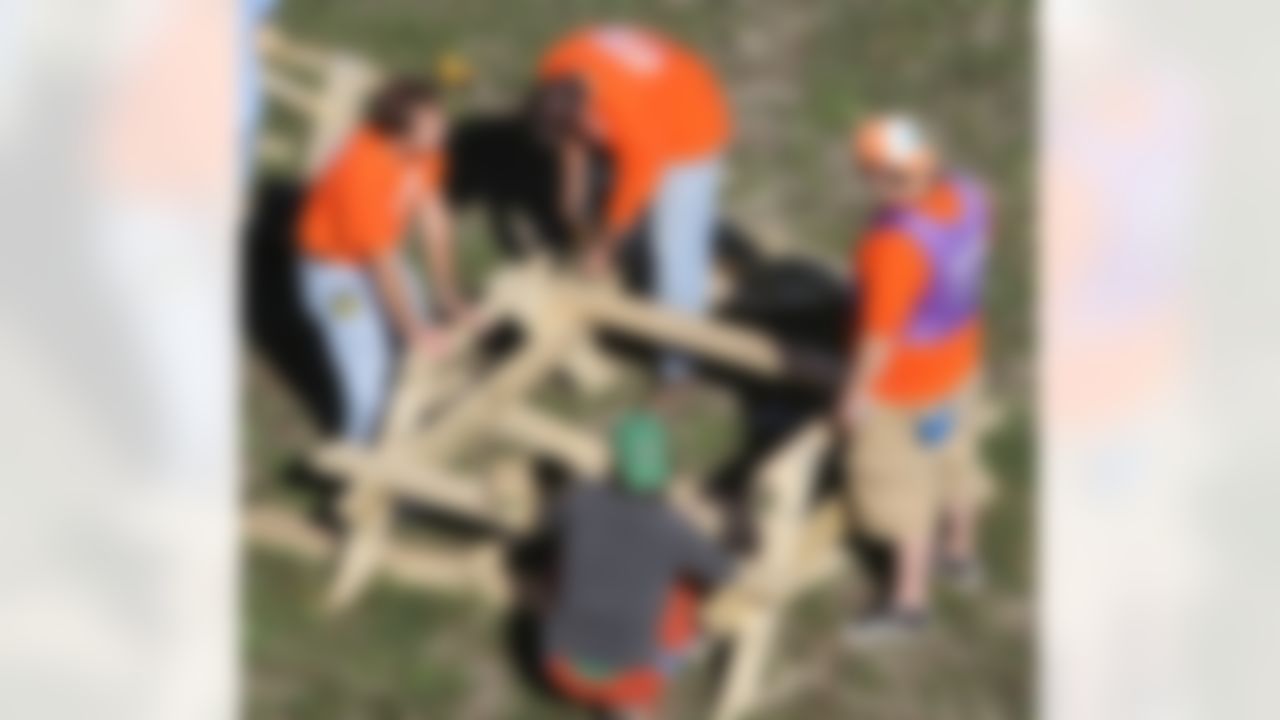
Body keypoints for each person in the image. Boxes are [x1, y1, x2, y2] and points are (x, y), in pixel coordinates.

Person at [837, 114, 996, 643]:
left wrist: (855, 398)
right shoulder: (971, 193)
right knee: (954, 454)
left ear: (881, 175)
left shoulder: (893, 247)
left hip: (903, 388)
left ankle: (909, 603)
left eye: (866, 171)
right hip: (959, 361)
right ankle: (961, 553)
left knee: (899, 485)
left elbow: (878, 339)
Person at [530, 25, 731, 392]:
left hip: (691, 128)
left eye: (586, 132)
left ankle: (679, 370)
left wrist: (604, 248)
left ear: (591, 113)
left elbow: (630, 195)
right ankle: (627, 273)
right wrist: (570, 194)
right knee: (605, 202)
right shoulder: (556, 66)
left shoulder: (630, 121)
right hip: (654, 96)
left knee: (675, 255)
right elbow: (572, 140)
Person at [296, 77, 467, 443]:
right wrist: (414, 331)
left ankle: (409, 436)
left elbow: (433, 217)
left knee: (416, 353)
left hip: (381, 256)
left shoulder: (426, 152)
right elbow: (383, 265)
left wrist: (447, 294)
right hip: (334, 274)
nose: (445, 127)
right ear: (400, 134)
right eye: (433, 124)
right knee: (367, 369)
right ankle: (357, 453)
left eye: (440, 118)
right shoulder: (362, 168)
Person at [543, 411, 733, 720]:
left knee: (567, 563)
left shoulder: (577, 501)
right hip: (630, 678)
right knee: (686, 591)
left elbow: (553, 525)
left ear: (614, 463)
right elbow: (724, 571)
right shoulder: (670, 528)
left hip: (561, 665)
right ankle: (631, 710)